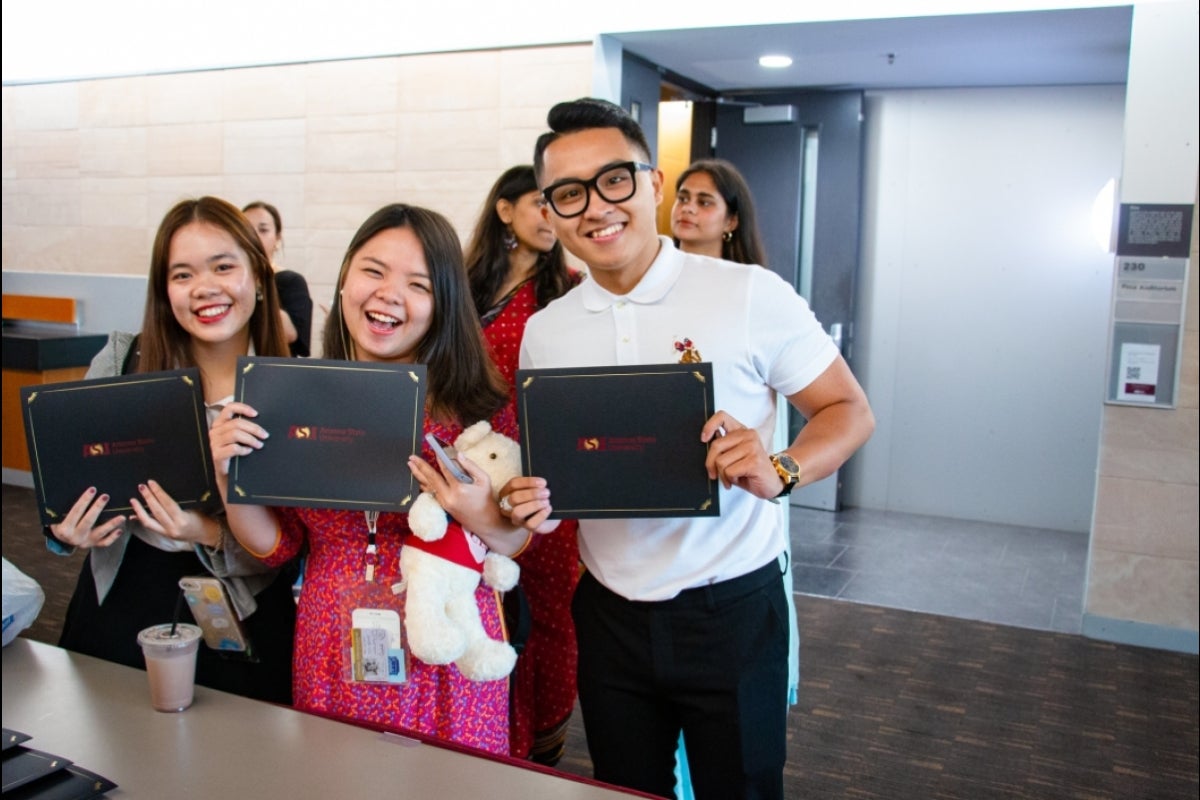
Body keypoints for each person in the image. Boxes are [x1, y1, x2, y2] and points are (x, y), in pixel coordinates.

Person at [502, 98, 875, 799]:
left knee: (744, 787)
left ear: (653, 183)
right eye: (568, 193)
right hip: (609, 611)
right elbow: (558, 468)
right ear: (548, 213)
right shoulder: (546, 331)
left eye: (615, 179)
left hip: (731, 609)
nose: (596, 207)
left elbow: (848, 409)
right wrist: (534, 500)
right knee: (624, 786)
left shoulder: (746, 294)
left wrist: (783, 468)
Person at [211, 204, 535, 756]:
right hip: (331, 638)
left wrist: (474, 510)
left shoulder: (479, 407)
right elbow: (277, 545)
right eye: (373, 270)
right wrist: (228, 472)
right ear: (343, 284)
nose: (388, 294)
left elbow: (515, 539)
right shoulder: (296, 396)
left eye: (418, 284)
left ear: (443, 306)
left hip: (448, 639)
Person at [47, 196, 298, 705]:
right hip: (123, 594)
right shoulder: (122, 360)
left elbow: (293, 550)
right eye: (182, 275)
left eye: (224, 267)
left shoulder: (297, 388)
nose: (204, 289)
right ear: (164, 289)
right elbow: (65, 490)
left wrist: (202, 529)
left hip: (245, 615)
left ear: (259, 271)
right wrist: (64, 531)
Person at [464, 166, 582, 765]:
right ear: (505, 211)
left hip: (540, 484)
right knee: (482, 603)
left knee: (552, 614)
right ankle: (487, 736)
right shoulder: (463, 286)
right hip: (468, 478)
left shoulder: (570, 291)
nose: (550, 216)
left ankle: (543, 748)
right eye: (540, 203)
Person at [243, 201, 314, 357]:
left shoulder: (290, 281)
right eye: (247, 229)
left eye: (263, 230)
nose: (254, 235)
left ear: (277, 237)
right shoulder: (230, 283)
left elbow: (292, 334)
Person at [670, 158, 767, 266]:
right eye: (682, 199)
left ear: (731, 222)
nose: (687, 208)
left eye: (704, 203)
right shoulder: (654, 268)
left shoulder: (746, 280)